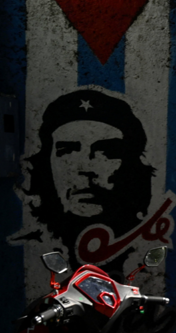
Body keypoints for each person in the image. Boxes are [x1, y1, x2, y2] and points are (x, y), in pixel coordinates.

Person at [22, 89, 155, 267]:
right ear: (46, 165)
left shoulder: (143, 249)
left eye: (107, 152)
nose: (86, 168)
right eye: (67, 151)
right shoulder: (28, 244)